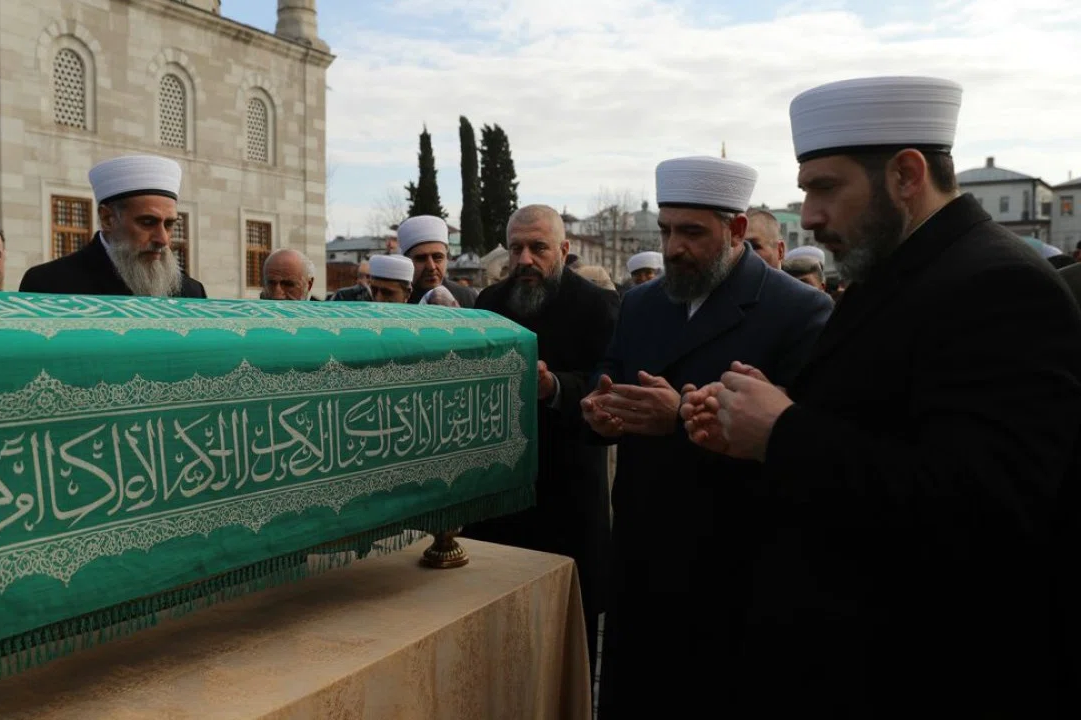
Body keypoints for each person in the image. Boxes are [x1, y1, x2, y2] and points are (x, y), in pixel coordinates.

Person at [681, 76, 1081, 717]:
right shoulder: (896, 268)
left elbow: (987, 506)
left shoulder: (999, 283)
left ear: (906, 175)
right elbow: (882, 421)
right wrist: (768, 412)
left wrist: (783, 431)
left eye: (825, 188)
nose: (810, 214)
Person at [584, 156, 833, 718]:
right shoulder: (641, 303)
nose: (673, 248)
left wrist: (681, 415)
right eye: (666, 231)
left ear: (736, 230)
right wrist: (600, 412)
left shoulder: (799, 311)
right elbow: (610, 375)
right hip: (643, 554)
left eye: (692, 233)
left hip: (735, 564)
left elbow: (804, 444)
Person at [462, 205, 619, 671]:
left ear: (564, 250)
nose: (525, 259)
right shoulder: (489, 303)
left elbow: (608, 387)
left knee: (567, 646)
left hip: (568, 498)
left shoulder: (598, 307)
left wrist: (554, 388)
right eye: (516, 249)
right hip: (501, 501)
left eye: (538, 247)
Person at [20, 155, 207, 298]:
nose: (163, 239)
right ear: (108, 219)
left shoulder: (190, 293)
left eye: (169, 224)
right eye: (148, 223)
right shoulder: (49, 286)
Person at [396, 215, 477, 307]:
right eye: (421, 258)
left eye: (438, 257)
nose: (431, 267)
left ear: (447, 258)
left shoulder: (468, 297)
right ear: (405, 261)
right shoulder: (395, 299)